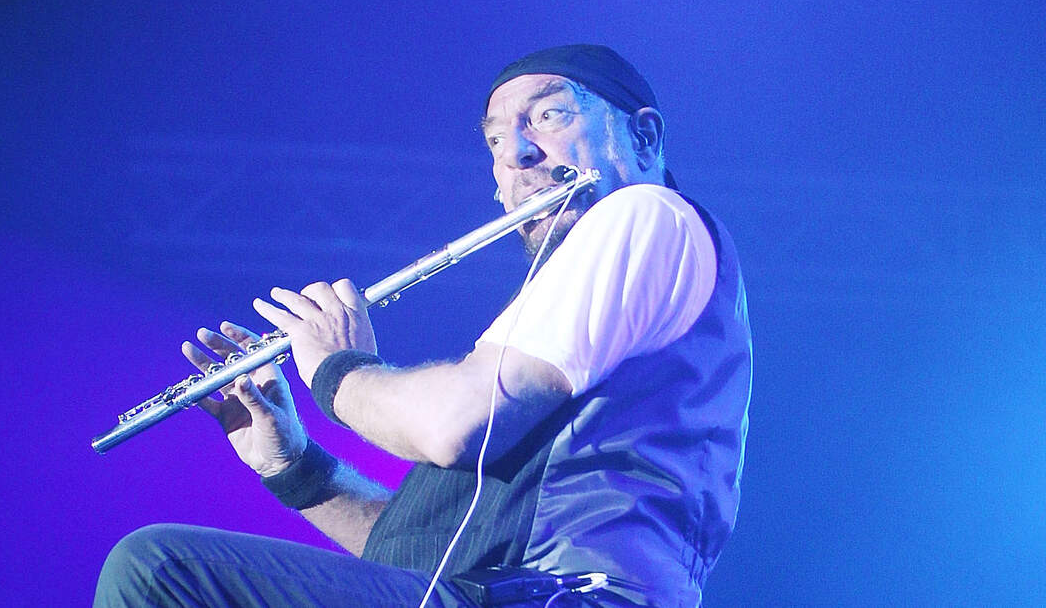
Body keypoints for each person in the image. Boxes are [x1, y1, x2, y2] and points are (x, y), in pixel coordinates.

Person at [94, 45, 752, 607]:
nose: (518, 154)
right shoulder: (573, 317)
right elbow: (422, 559)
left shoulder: (646, 213)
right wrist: (295, 467)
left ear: (643, 138)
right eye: (495, 140)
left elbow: (452, 424)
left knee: (158, 571)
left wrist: (339, 368)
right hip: (500, 593)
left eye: (550, 115)